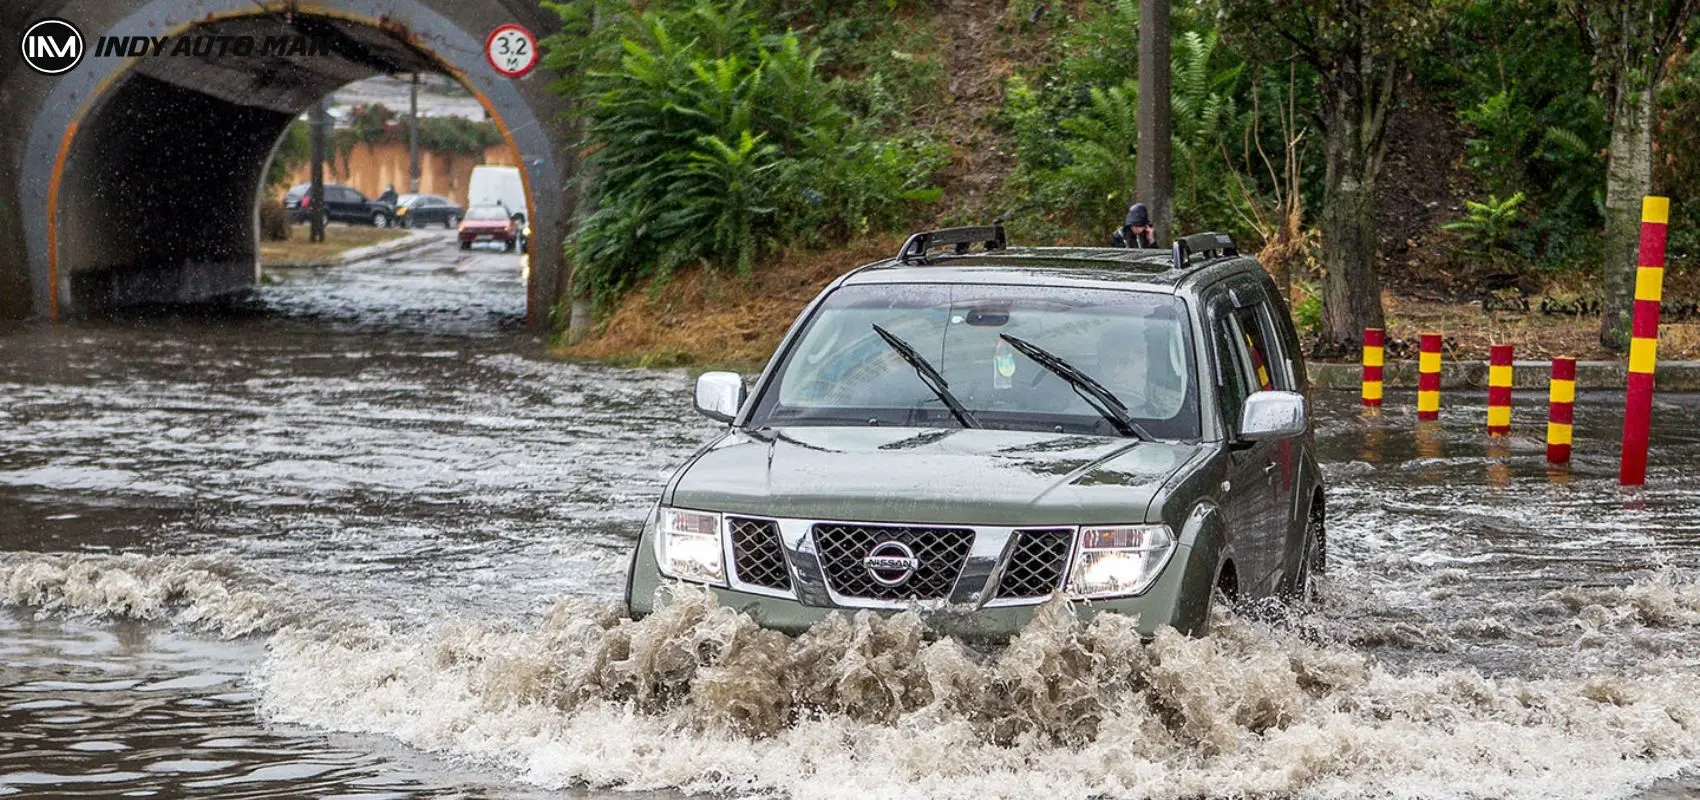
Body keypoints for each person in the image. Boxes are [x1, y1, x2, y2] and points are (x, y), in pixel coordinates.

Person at [1095, 321, 1184, 417]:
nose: (1115, 370)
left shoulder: (1170, 405)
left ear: (1145, 363)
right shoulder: (1084, 396)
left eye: (1125, 362)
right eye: (1108, 361)